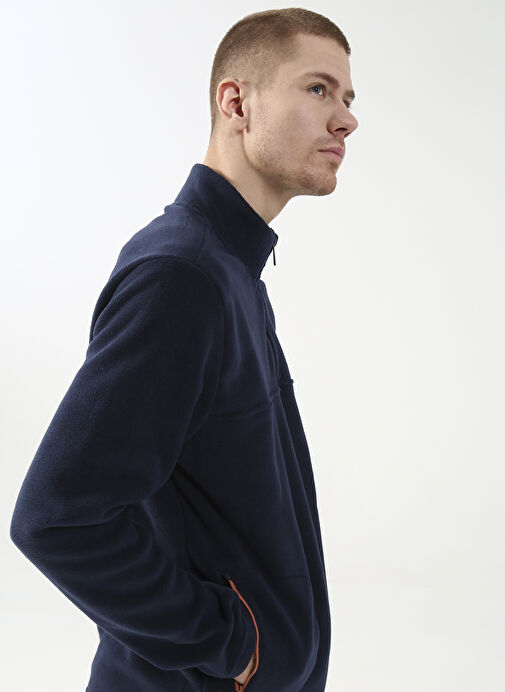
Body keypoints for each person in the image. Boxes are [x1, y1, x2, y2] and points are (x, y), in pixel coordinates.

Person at [10, 8, 358, 691]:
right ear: (236, 103)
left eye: (347, 98)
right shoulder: (184, 276)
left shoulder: (229, 270)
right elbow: (56, 518)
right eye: (318, 89)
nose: (345, 119)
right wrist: (232, 646)